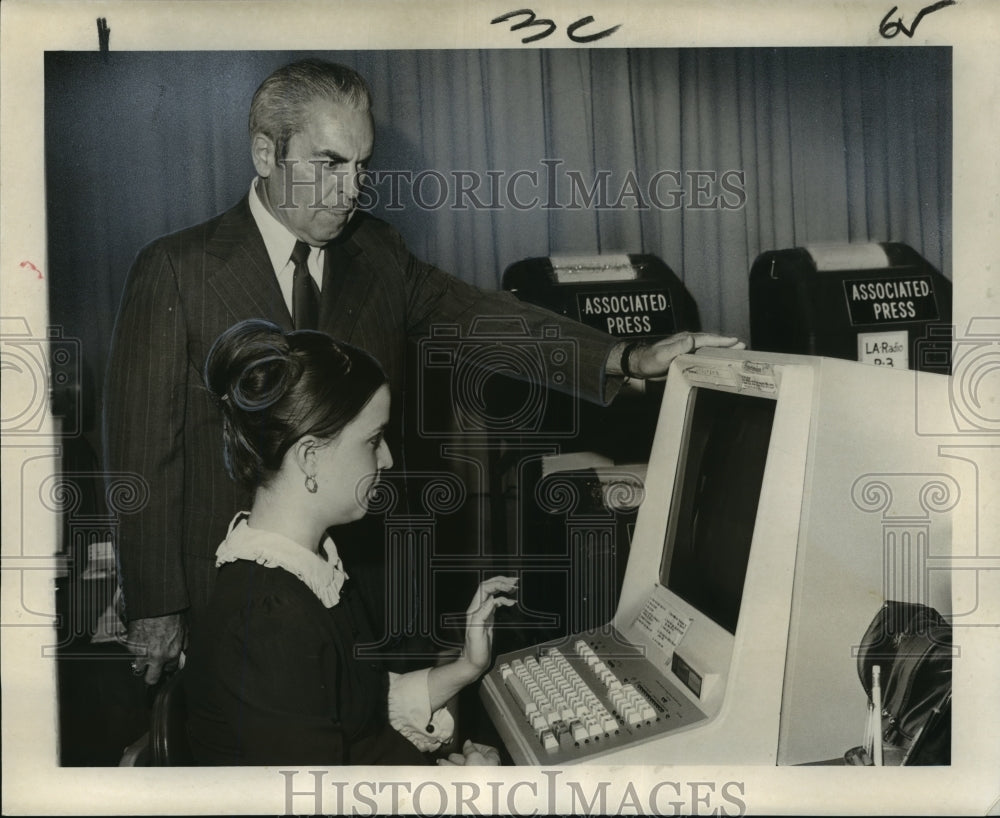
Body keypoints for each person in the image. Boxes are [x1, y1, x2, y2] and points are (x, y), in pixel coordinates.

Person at [104, 57, 741, 685]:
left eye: (361, 167)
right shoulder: (177, 271)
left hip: (365, 595)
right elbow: (142, 450)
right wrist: (159, 603)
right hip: (228, 599)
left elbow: (478, 315)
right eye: (329, 164)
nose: (351, 190)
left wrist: (624, 357)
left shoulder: (375, 251)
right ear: (266, 154)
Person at [184, 319, 514, 765]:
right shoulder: (268, 620)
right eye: (373, 441)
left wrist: (466, 668)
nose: (388, 459)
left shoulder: (310, 568)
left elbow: (358, 709)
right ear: (310, 458)